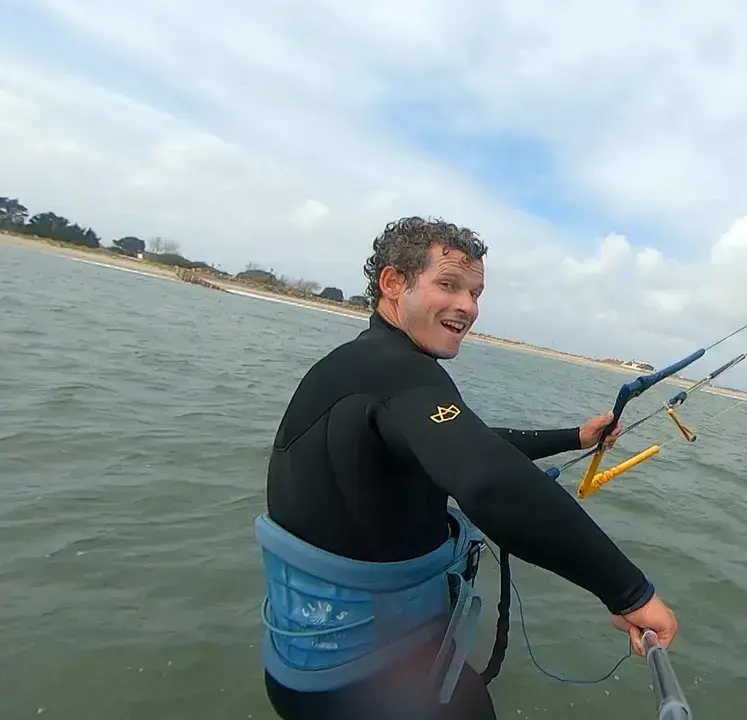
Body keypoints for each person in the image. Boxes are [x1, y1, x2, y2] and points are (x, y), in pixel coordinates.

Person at [254, 216, 679, 720]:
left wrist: (575, 438)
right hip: (367, 679)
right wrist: (630, 592)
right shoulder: (398, 371)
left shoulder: (361, 366)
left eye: (475, 293)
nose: (467, 307)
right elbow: (488, 479)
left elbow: (472, 446)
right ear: (393, 284)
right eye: (449, 285)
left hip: (303, 666)